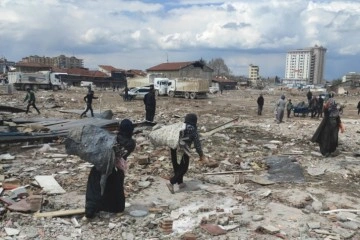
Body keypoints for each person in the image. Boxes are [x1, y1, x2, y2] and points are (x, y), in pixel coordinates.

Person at [85, 119, 136, 218]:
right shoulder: (131, 143)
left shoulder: (112, 138)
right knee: (115, 190)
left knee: (95, 187)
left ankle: (91, 209)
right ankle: (114, 208)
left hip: (101, 166)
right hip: (116, 171)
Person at [166, 114, 207, 194]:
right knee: (184, 167)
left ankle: (180, 183)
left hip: (173, 147)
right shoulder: (193, 129)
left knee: (177, 165)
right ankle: (171, 182)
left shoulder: (180, 126)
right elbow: (197, 144)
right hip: (183, 149)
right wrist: (201, 154)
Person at [311, 93, 344, 157]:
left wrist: (341, 126)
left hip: (334, 128)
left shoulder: (336, 111)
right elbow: (325, 110)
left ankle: (331, 151)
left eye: (332, 103)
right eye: (330, 103)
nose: (331, 104)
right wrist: (325, 106)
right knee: (325, 139)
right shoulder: (327, 111)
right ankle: (325, 152)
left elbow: (338, 119)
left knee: (333, 139)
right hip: (326, 126)